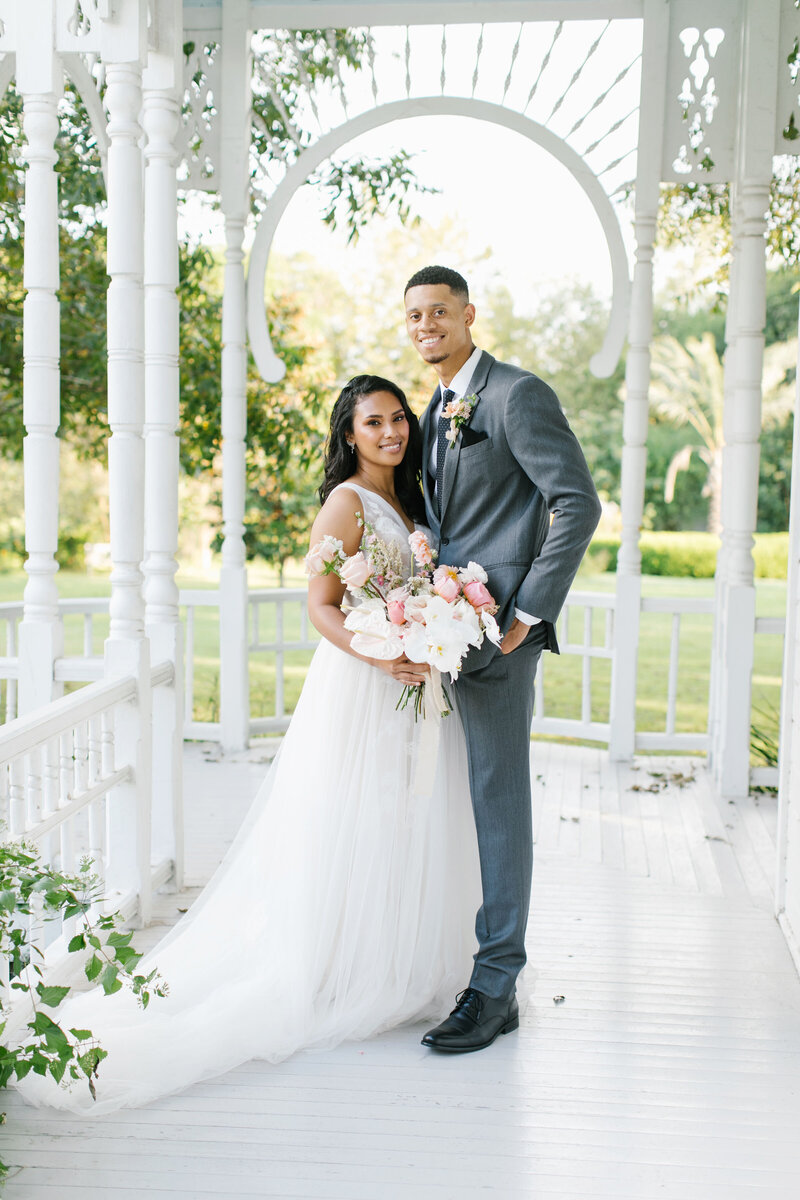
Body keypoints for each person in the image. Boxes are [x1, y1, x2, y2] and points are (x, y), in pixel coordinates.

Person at [16, 374, 481, 1115]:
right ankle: (338, 963)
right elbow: (321, 608)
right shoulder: (346, 502)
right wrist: (381, 652)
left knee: (404, 817)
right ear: (349, 432)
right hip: (365, 683)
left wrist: (429, 629)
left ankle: (393, 958)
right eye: (373, 422)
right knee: (355, 815)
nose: (391, 431)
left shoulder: (408, 500)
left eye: (398, 418)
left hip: (411, 681)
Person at [404, 265, 601, 1054]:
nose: (426, 326)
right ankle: (453, 960)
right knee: (449, 793)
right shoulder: (437, 403)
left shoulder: (518, 395)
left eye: (439, 312)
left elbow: (577, 502)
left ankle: (495, 986)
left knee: (497, 797)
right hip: (446, 629)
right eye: (414, 315)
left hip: (499, 635)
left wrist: (527, 613)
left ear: (469, 315)